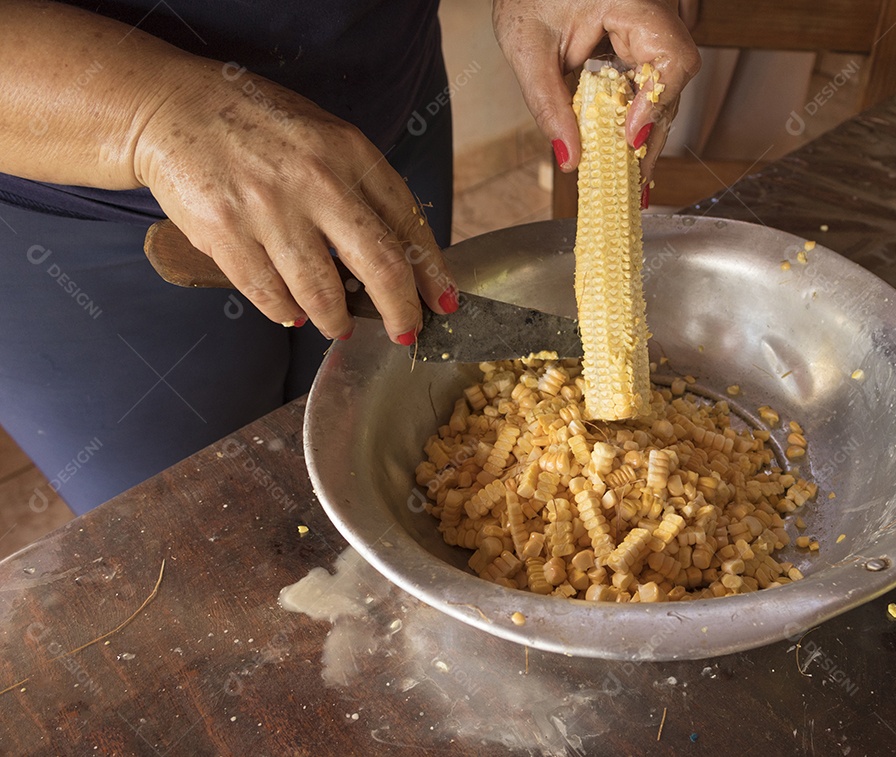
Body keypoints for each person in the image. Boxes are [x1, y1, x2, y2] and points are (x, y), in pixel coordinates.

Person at [0, 0, 700, 514]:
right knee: (209, 528)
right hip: (77, 208)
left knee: (368, 453)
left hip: (382, 114)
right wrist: (147, 114)